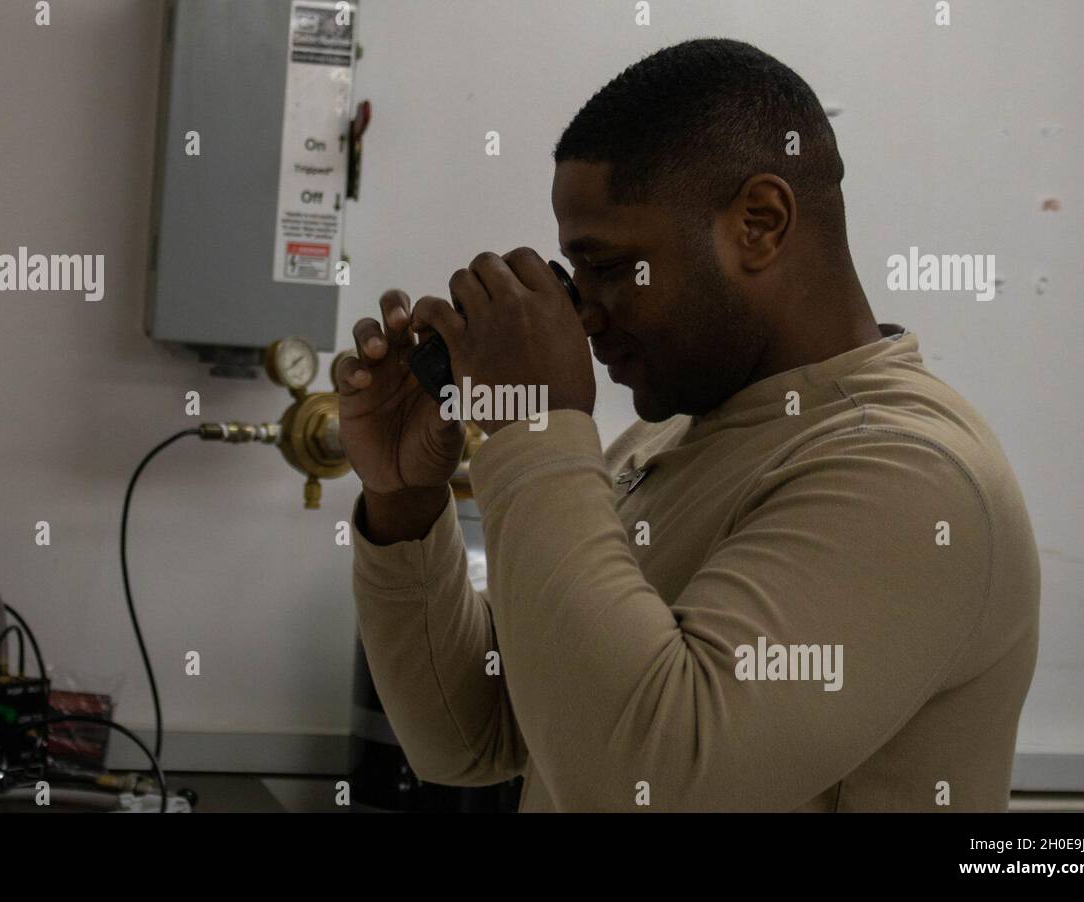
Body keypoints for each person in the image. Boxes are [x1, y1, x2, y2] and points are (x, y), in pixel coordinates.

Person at [334, 38, 1040, 812]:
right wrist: (404, 503)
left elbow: (642, 780)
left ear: (760, 225)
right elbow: (472, 739)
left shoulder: (910, 476)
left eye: (608, 267)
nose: (587, 313)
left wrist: (537, 428)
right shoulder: (663, 442)